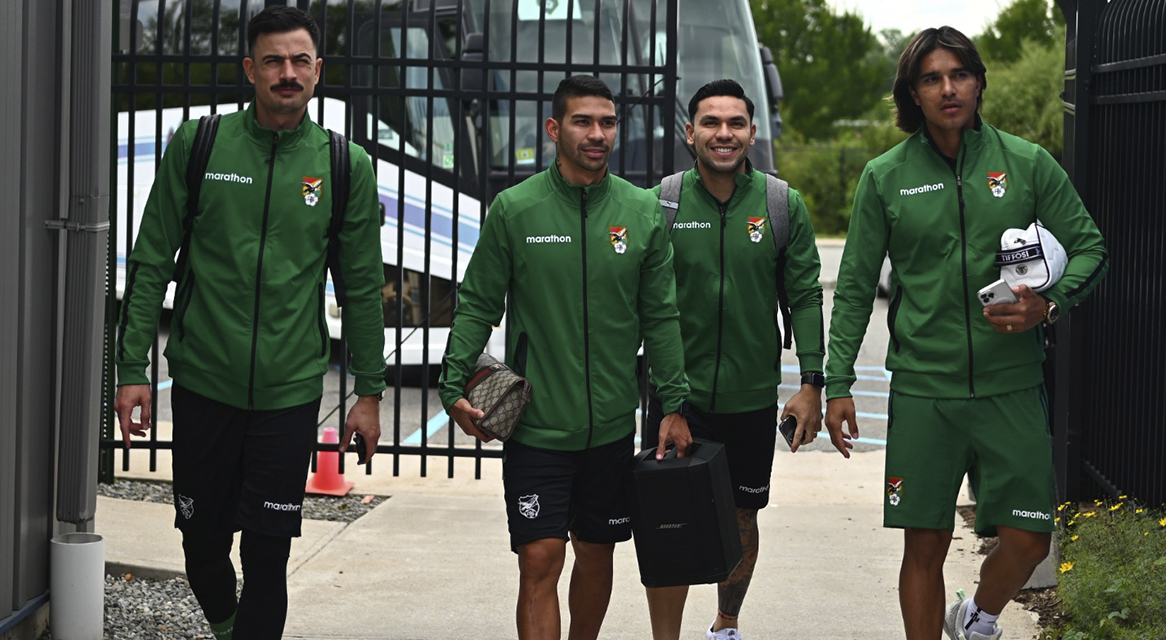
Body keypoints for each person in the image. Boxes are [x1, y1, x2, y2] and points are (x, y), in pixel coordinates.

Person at [823, 26, 1108, 640]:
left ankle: (977, 615)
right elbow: (853, 287)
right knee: (923, 544)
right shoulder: (884, 176)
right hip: (926, 390)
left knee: (1030, 538)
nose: (947, 88)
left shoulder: (1027, 163)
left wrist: (1047, 305)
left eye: (959, 74)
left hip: (1011, 383)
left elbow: (1090, 248)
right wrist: (837, 383)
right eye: (931, 78)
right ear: (913, 93)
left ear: (979, 82)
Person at [113, 6, 386, 639]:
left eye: (299, 61)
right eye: (273, 61)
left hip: (288, 396)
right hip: (206, 386)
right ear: (250, 70)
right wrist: (132, 370)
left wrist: (368, 394)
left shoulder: (344, 165)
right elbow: (152, 260)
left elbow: (363, 292)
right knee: (203, 550)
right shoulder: (201, 144)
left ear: (318, 71)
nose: (286, 73)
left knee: (269, 553)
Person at [439, 74, 691, 640]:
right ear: (555, 129)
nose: (597, 133)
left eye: (606, 122)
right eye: (583, 121)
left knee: (596, 555)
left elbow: (662, 317)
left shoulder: (642, 211)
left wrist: (673, 404)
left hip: (608, 431)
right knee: (539, 559)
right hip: (537, 429)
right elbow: (478, 303)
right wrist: (450, 381)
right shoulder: (514, 210)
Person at [643, 78, 825, 640]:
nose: (724, 134)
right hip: (679, 398)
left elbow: (807, 295)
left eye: (736, 123)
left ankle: (726, 626)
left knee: (743, 518)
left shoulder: (779, 203)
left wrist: (811, 383)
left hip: (749, 397)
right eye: (711, 123)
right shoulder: (663, 204)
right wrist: (665, 397)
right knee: (668, 520)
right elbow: (641, 303)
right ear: (690, 132)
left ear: (751, 131)